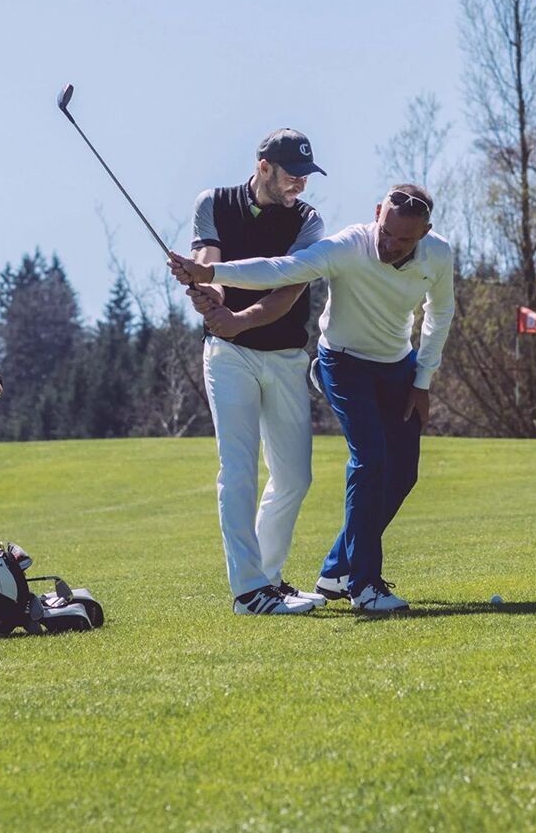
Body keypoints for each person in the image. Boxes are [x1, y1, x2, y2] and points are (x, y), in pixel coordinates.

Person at [170, 183, 455, 613]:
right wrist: (212, 273)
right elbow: (282, 269)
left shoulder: (438, 254)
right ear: (378, 211)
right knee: (370, 460)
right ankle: (364, 586)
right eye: (386, 232)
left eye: (404, 240)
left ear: (425, 232)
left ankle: (337, 571)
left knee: (402, 473)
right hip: (343, 361)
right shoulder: (347, 246)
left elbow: (440, 312)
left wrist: (422, 381)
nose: (392, 245)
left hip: (398, 365)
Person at [188, 129, 328, 616]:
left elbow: (286, 287)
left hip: (286, 355)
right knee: (239, 470)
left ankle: (268, 578)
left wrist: (238, 319)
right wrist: (208, 295)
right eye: (293, 175)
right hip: (229, 357)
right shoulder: (214, 202)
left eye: (306, 176)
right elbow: (209, 261)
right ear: (264, 167)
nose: (300, 185)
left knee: (294, 476)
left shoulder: (309, 221)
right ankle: (249, 591)